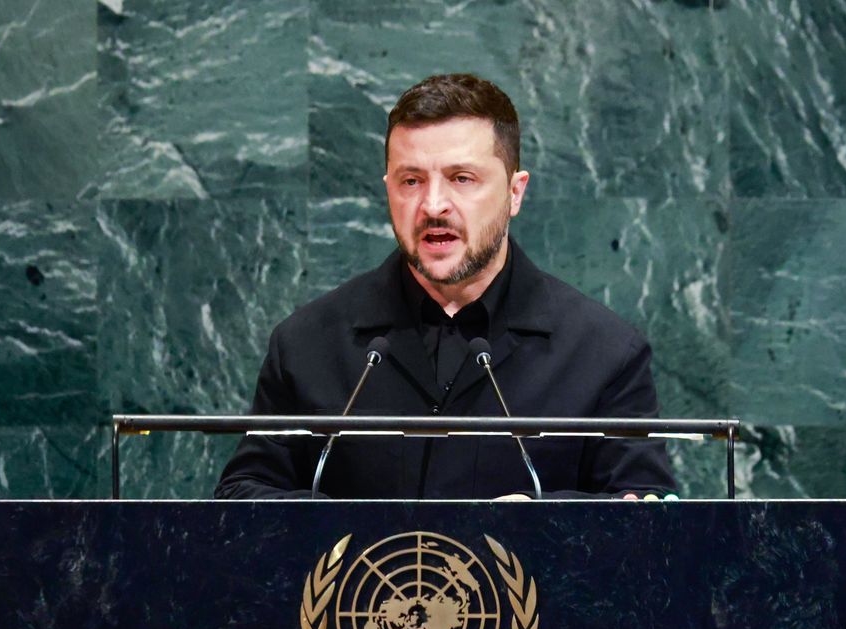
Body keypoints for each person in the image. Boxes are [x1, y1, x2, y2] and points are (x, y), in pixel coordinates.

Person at [215, 73, 675, 500]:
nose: (433, 205)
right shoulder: (305, 344)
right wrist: (346, 530)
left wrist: (543, 527)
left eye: (461, 179)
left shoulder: (606, 354)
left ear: (515, 192)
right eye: (411, 181)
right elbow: (244, 496)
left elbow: (645, 518)